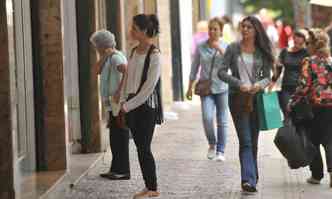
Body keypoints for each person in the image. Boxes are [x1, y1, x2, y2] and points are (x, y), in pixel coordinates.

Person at [218, 16, 274, 193]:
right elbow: (221, 72)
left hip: (256, 99)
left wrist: (259, 85)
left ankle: (252, 176)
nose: (245, 30)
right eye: (243, 26)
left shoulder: (261, 51)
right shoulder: (233, 48)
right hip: (237, 99)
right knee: (246, 140)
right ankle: (248, 180)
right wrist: (238, 83)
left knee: (254, 141)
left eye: (249, 27)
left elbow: (268, 76)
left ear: (256, 30)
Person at [120, 14, 162, 198]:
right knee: (139, 147)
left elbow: (148, 87)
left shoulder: (154, 55)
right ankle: (149, 186)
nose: (131, 31)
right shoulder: (133, 51)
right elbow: (128, 79)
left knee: (144, 147)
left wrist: (127, 106)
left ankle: (152, 188)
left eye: (134, 28)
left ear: (144, 31)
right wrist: (122, 101)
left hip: (146, 107)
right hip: (131, 104)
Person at [288, 28, 332, 188]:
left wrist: (292, 102)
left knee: (312, 140)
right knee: (329, 139)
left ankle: (317, 175)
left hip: (315, 106)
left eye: (308, 43)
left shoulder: (309, 61)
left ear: (313, 44)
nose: (306, 46)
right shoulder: (331, 60)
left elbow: (303, 86)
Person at [186, 17, 230, 162]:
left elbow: (231, 65)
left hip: (222, 87)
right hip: (206, 88)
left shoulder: (226, 46)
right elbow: (194, 67)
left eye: (215, 29)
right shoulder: (201, 46)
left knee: (222, 120)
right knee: (207, 117)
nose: (212, 31)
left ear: (221, 31)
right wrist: (189, 87)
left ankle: (221, 151)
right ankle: (212, 143)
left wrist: (220, 49)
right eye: (210, 28)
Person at [89, 30, 130, 180]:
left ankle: (123, 171)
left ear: (102, 46)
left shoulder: (116, 58)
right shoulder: (109, 58)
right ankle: (116, 168)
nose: (96, 50)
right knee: (114, 137)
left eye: (96, 47)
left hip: (118, 104)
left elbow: (127, 71)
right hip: (113, 105)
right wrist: (105, 55)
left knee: (119, 136)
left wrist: (119, 91)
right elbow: (96, 70)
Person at [270, 30, 309, 118]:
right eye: (296, 42)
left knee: (298, 117)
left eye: (300, 43)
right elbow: (278, 68)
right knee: (287, 113)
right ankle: (288, 129)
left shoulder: (306, 53)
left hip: (300, 89)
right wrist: (272, 83)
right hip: (286, 87)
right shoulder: (285, 51)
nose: (298, 45)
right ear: (293, 38)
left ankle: (295, 131)